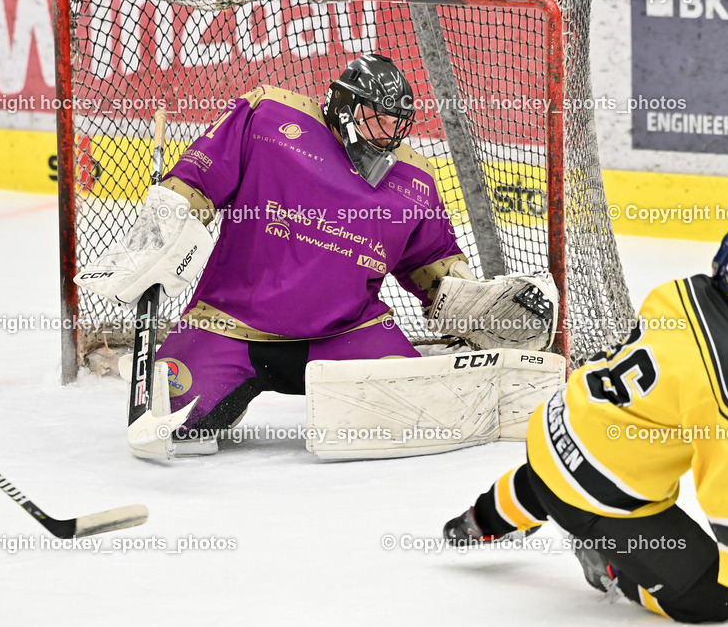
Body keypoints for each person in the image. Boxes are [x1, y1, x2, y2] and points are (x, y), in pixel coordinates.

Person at [443, 215, 728, 627]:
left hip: (553, 431)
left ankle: (478, 519)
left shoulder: (682, 293)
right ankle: (609, 562)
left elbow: (691, 382)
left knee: (562, 472)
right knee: (715, 597)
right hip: (595, 494)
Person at [76, 53, 470, 457]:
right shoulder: (266, 117)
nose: (387, 133)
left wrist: (476, 302)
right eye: (376, 117)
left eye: (395, 123)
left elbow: (435, 264)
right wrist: (157, 237)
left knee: (428, 413)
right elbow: (196, 183)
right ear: (345, 105)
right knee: (179, 429)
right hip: (229, 325)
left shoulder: (413, 179)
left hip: (346, 334)